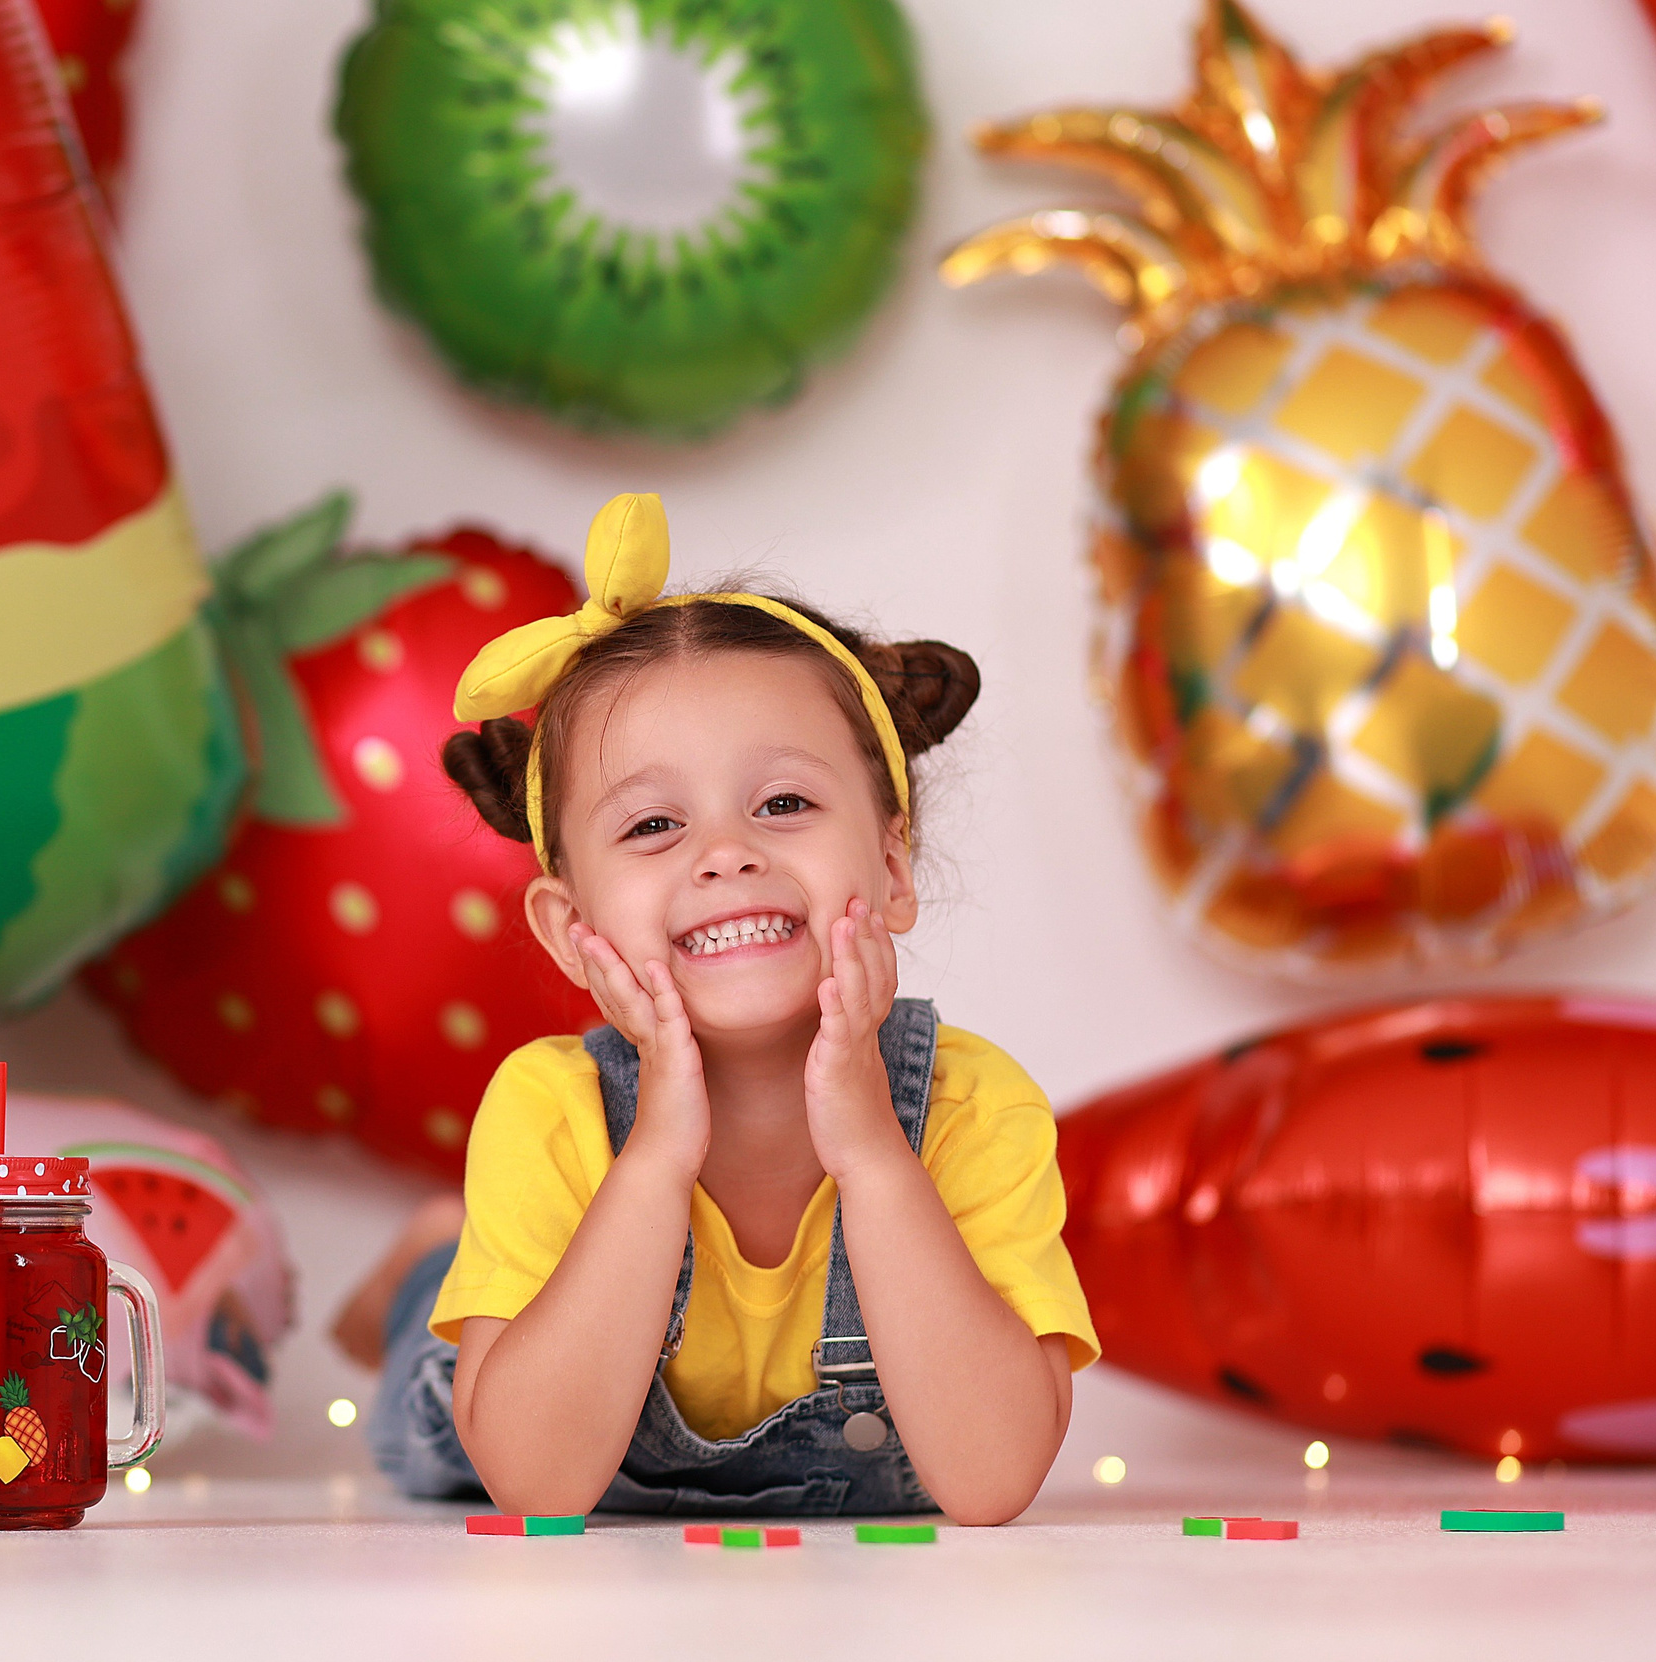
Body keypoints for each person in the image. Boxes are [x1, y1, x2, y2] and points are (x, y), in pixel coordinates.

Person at [338, 492, 1097, 1524]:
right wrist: (656, 1151)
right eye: (653, 824)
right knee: (422, 1394)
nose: (726, 853)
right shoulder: (551, 1108)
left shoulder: (973, 1107)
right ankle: (430, 1267)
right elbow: (539, 1489)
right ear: (571, 928)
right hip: (503, 1398)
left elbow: (991, 1480)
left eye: (784, 803)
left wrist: (874, 1152)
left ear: (890, 867)